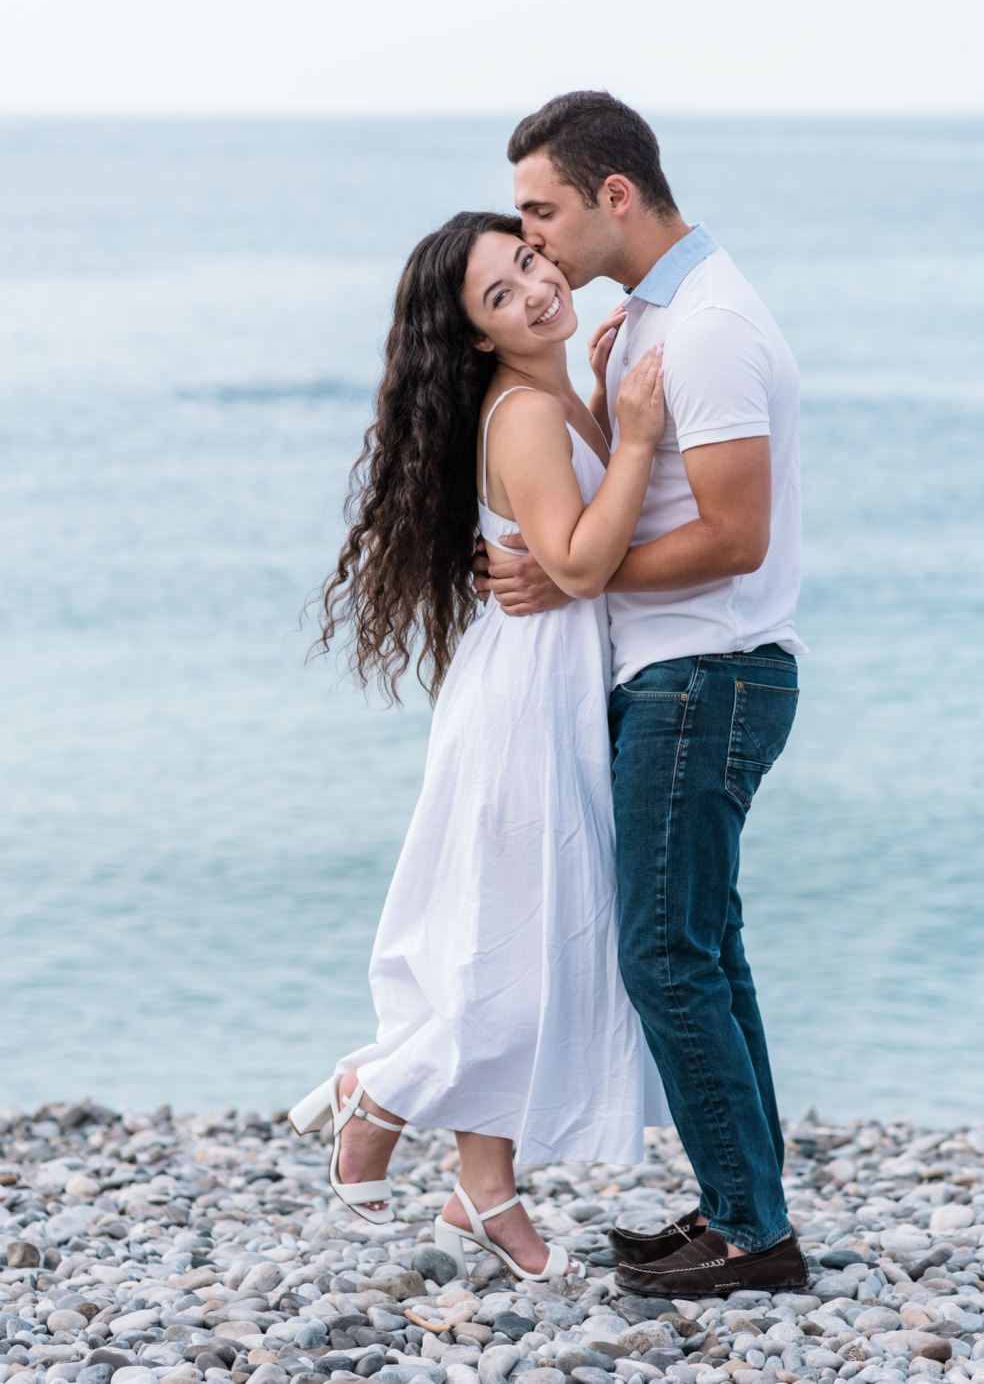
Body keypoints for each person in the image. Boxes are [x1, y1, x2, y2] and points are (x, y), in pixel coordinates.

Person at [288, 210, 670, 1284]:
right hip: (524, 710)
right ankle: (383, 1095)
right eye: (501, 298)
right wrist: (636, 437)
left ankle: (480, 1190)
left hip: (545, 695)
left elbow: (571, 549)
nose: (537, 290)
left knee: (523, 943)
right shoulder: (522, 417)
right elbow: (585, 563)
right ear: (474, 339)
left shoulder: (550, 399)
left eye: (528, 263)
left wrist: (601, 405)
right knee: (508, 954)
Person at [475, 92, 810, 1297]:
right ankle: (743, 1207)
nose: (536, 240)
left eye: (543, 211)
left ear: (615, 196)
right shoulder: (651, 317)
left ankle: (750, 1239)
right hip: (687, 673)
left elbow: (732, 535)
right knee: (704, 949)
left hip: (703, 675)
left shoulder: (706, 329)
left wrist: (571, 583)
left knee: (665, 956)